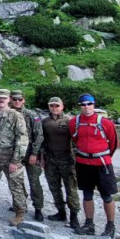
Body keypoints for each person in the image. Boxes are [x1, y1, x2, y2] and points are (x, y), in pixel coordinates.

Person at [70, 93, 119, 238]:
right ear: (79, 106)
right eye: (83, 104)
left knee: (106, 195)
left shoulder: (105, 123)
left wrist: (103, 156)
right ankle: (89, 224)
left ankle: (110, 226)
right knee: (87, 194)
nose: (86, 107)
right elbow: (74, 139)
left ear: (94, 104)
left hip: (102, 164)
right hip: (83, 163)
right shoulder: (74, 122)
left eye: (89, 104)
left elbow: (114, 143)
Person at [0, 89, 29, 226]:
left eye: (4, 98)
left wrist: (16, 160)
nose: (1, 100)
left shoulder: (15, 116)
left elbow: (22, 138)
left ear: (9, 99)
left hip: (10, 157)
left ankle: (20, 213)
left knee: (16, 186)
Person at [42, 97, 81, 229]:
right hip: (50, 159)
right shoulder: (45, 121)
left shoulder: (70, 121)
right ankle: (61, 212)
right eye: (52, 105)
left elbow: (77, 141)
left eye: (56, 106)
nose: (54, 108)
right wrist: (41, 156)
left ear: (62, 106)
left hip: (67, 159)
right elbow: (42, 140)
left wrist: (77, 159)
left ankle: (74, 216)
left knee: (71, 188)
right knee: (54, 187)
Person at [11, 89, 45, 221]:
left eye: (20, 99)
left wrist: (34, 153)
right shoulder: (9, 114)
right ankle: (20, 204)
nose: (17, 102)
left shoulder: (31, 115)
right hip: (15, 154)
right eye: (15, 99)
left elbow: (39, 135)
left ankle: (38, 208)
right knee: (16, 181)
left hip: (30, 153)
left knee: (34, 182)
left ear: (24, 100)